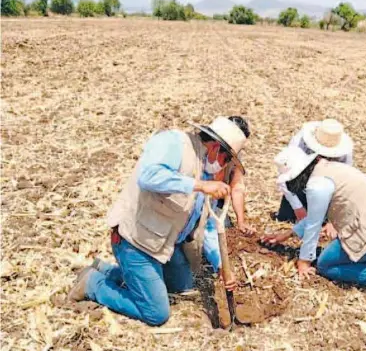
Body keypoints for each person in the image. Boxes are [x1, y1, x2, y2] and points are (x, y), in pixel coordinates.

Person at [68, 116, 249, 326]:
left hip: (164, 245)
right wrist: (197, 185)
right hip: (134, 241)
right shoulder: (174, 143)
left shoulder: (205, 174)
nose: (224, 166)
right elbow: (149, 176)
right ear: (217, 148)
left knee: (182, 288)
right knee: (156, 313)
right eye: (227, 160)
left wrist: (220, 266)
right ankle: (93, 284)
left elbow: (206, 227)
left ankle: (107, 270)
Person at [262, 146, 366, 305]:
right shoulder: (328, 169)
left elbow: (314, 225)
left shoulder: (317, 185)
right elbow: (317, 215)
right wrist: (288, 234)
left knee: (325, 264)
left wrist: (304, 261)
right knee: (337, 256)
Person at [274, 119, 353, 228]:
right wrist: (298, 208)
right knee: (286, 219)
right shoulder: (298, 144)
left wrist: (332, 220)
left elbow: (343, 185)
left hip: (324, 191)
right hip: (298, 185)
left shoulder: (345, 155)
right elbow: (284, 178)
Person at [213, 116, 256, 235]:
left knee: (224, 228)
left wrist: (240, 222)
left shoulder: (235, 154)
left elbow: (236, 187)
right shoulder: (206, 148)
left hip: (216, 199)